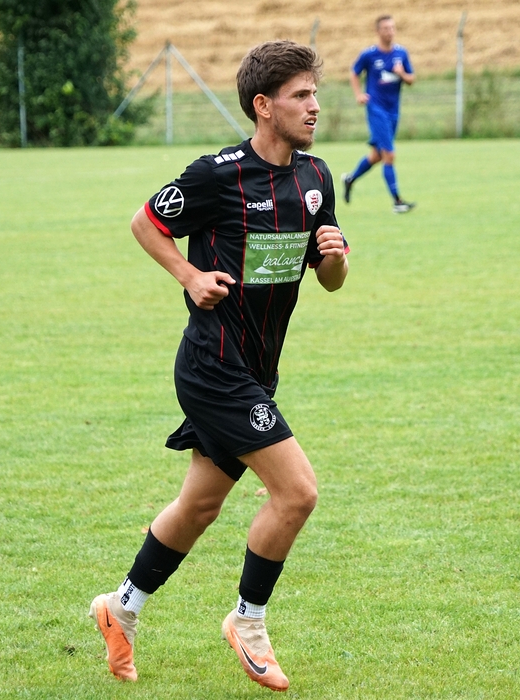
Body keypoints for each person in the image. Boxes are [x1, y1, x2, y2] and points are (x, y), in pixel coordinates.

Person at [89, 40, 349, 692]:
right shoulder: (217, 175)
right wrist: (189, 274)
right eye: (300, 95)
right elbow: (145, 222)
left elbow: (329, 279)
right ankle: (248, 621)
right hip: (214, 366)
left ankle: (121, 608)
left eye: (315, 94)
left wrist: (335, 256)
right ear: (263, 105)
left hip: (257, 369)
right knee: (298, 492)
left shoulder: (316, 179)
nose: (314, 106)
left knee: (199, 505)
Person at [343, 14, 416, 213]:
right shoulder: (369, 55)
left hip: (394, 111)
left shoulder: (401, 53)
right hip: (376, 109)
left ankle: (350, 179)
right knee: (389, 155)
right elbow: (354, 72)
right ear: (378, 31)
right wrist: (359, 95)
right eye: (385, 28)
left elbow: (411, 79)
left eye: (392, 28)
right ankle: (397, 202)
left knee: (376, 156)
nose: (389, 32)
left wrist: (401, 74)